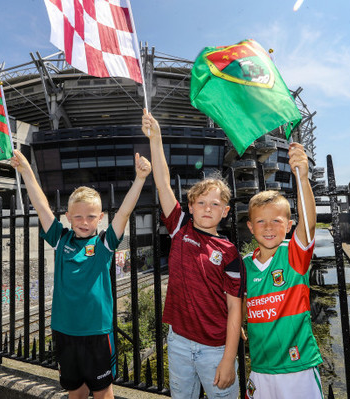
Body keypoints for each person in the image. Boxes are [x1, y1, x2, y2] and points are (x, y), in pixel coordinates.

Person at [10, 149, 151, 399]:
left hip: (97, 332)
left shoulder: (104, 244)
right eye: (77, 216)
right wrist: (26, 171)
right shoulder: (61, 239)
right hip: (64, 330)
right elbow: (42, 207)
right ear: (67, 217)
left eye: (90, 216)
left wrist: (139, 179)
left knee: (103, 392)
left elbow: (125, 213)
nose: (84, 221)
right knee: (74, 391)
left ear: (101, 218)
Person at [142, 111, 245, 399]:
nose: (207, 208)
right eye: (201, 202)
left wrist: (228, 359)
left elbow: (235, 309)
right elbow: (162, 183)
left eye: (215, 204)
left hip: (215, 348)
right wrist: (156, 138)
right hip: (178, 342)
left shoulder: (229, 252)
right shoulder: (179, 228)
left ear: (225, 211)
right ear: (190, 205)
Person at [243, 142, 323, 399]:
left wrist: (302, 178)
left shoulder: (293, 255)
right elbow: (240, 302)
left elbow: (309, 223)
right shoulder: (244, 264)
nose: (268, 227)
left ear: (288, 225)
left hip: (297, 368)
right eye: (260, 221)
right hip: (260, 368)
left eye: (276, 221)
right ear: (250, 228)